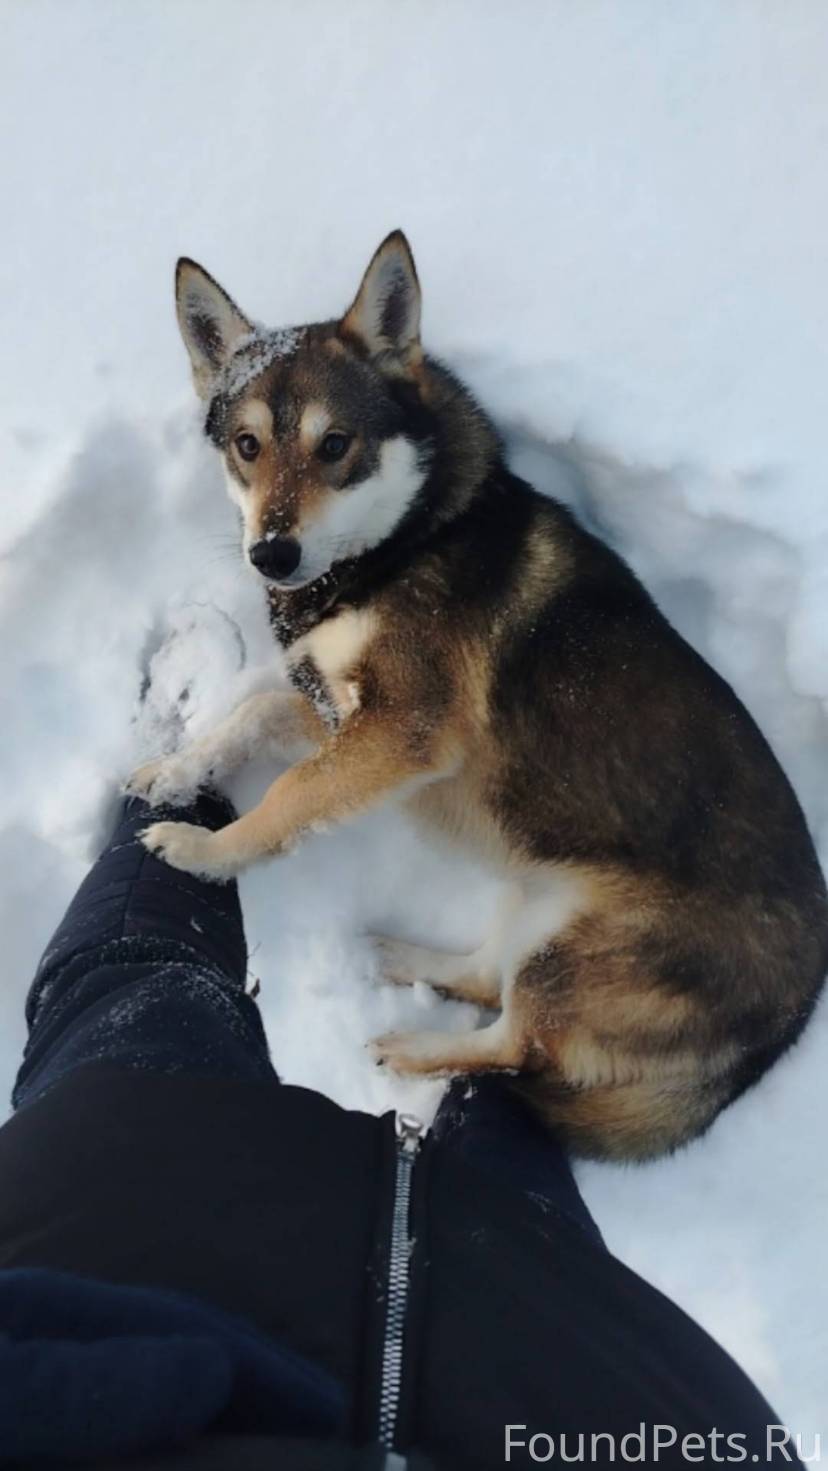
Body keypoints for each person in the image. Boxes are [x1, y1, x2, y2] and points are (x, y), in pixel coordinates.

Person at [0, 792, 800, 1470]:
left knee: (135, 984)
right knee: (515, 1164)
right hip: (562, 1358)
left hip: (115, 1247)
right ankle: (504, 1073)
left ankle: (180, 789)